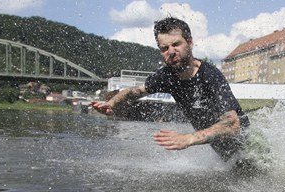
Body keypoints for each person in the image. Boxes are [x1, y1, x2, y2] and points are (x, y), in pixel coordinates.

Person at [92, 17, 250, 161]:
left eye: (176, 44)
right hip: (223, 151)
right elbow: (133, 92)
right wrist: (111, 104)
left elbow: (232, 124)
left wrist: (188, 139)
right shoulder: (167, 76)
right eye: (164, 48)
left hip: (249, 149)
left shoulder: (210, 75)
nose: (171, 52)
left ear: (190, 42)